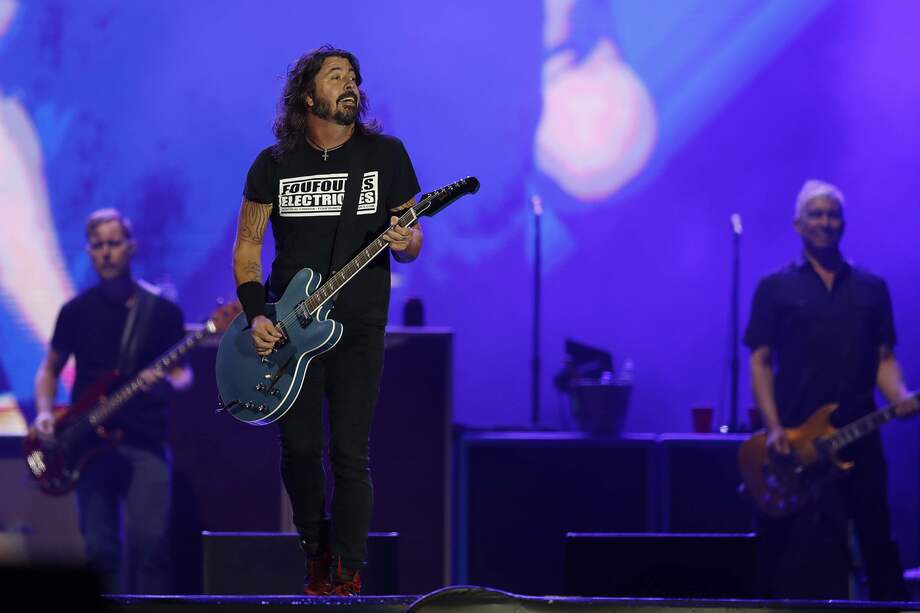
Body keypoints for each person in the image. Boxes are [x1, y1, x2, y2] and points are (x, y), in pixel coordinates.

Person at [233, 45, 423, 596]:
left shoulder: (385, 155)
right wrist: (255, 315)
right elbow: (247, 249)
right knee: (296, 449)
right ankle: (315, 544)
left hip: (359, 324)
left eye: (355, 78)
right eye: (336, 75)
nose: (350, 85)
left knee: (349, 451)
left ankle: (345, 571)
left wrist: (408, 240)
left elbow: (411, 240)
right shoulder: (272, 165)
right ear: (306, 93)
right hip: (291, 326)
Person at [744, 180, 919, 600]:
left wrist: (899, 396)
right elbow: (761, 361)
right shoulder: (775, 288)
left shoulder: (871, 288)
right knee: (778, 547)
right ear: (798, 225)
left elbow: (884, 358)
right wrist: (773, 428)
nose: (825, 223)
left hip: (859, 436)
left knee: (877, 541)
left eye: (832, 215)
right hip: (795, 443)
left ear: (844, 223)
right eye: (816, 215)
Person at [32, 209, 192, 593]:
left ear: (131, 247)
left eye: (114, 244)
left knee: (150, 544)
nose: (106, 253)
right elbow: (49, 369)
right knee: (99, 550)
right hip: (89, 445)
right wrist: (42, 412)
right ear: (89, 251)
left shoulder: (162, 312)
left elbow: (183, 375)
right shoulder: (75, 312)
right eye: (98, 245)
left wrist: (162, 385)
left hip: (145, 441)